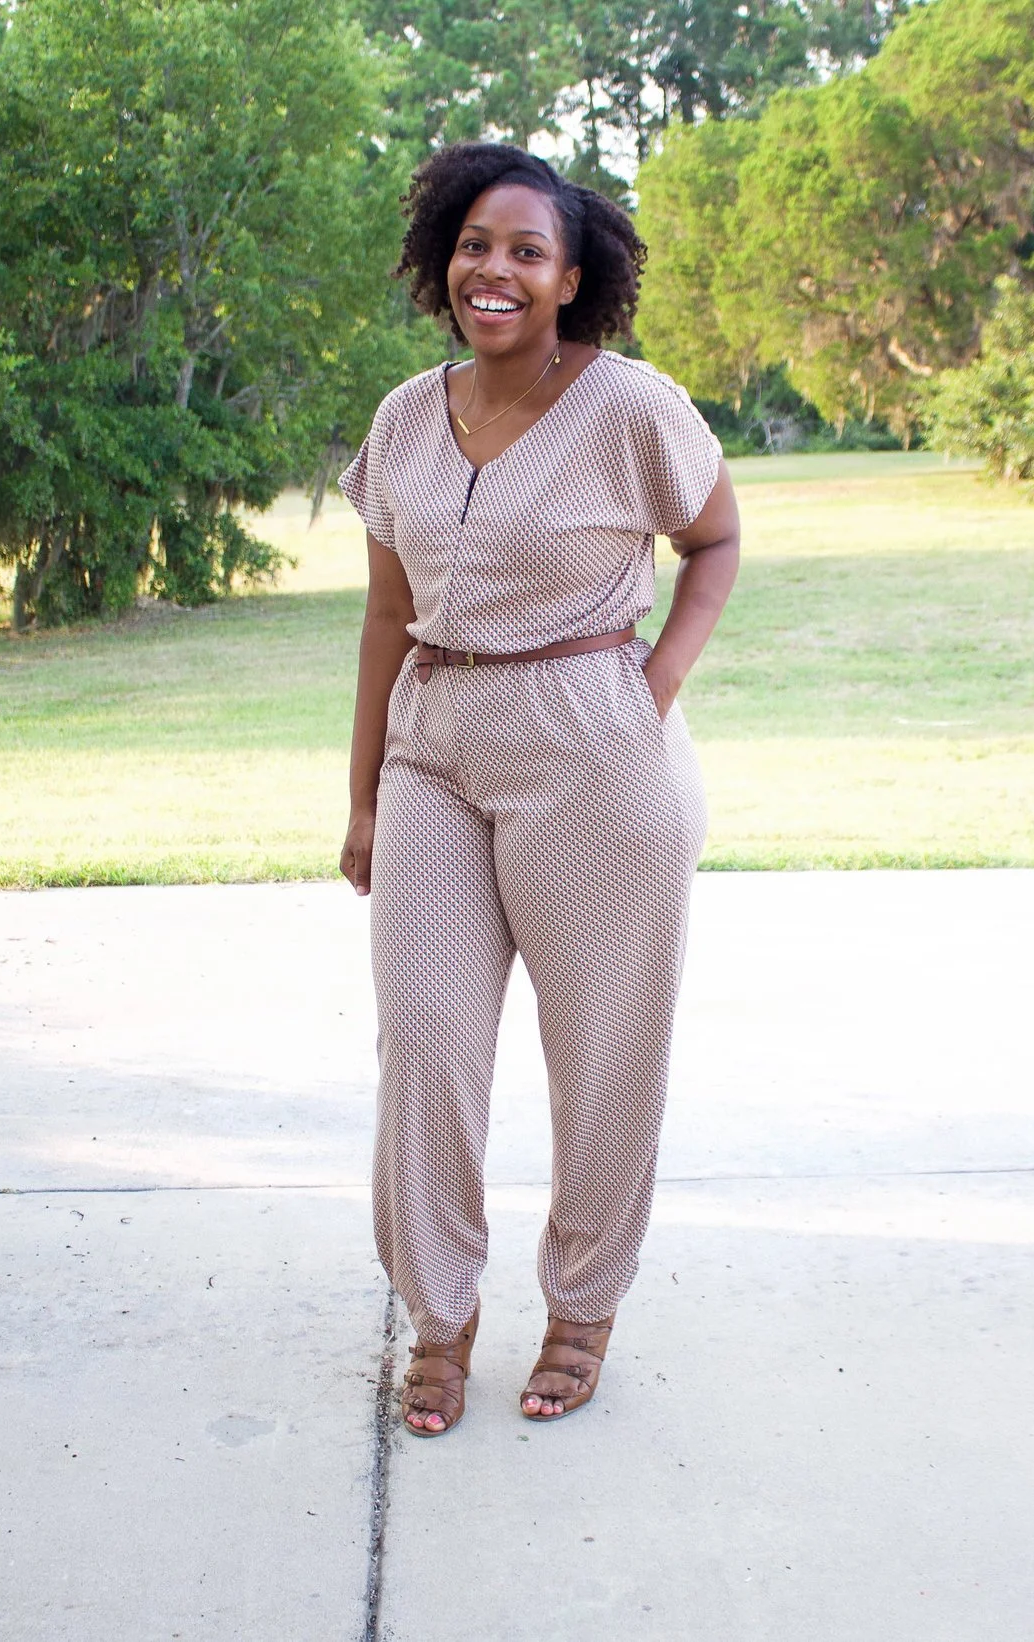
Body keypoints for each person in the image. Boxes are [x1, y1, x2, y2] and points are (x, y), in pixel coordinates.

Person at [335, 142, 741, 1437]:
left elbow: (716, 538)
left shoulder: (629, 406)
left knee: (604, 1047)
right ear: (442, 262)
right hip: (433, 745)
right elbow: (386, 612)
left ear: (570, 278)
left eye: (526, 250)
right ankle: (439, 1316)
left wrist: (650, 686)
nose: (493, 270)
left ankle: (581, 1311)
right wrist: (362, 796)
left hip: (591, 748)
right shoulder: (406, 417)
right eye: (474, 245)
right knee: (424, 1041)